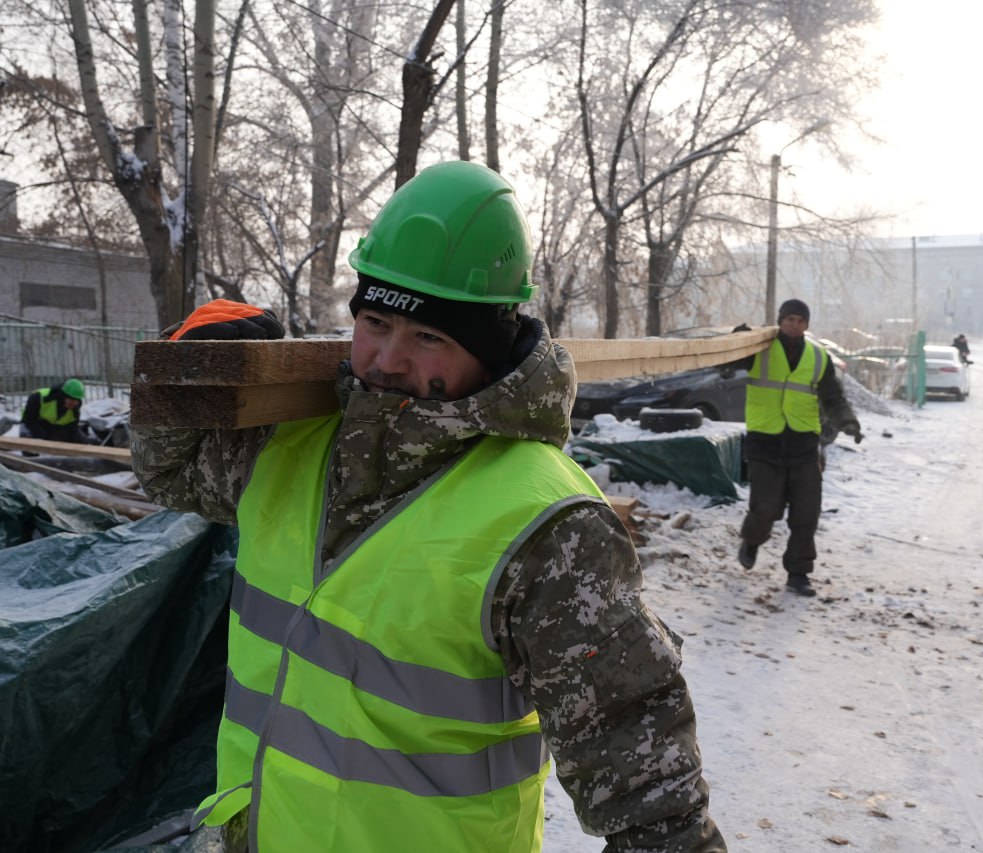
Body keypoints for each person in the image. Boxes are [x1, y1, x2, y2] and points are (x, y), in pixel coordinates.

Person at [131, 161, 725, 852]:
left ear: (487, 347)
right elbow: (169, 474)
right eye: (375, 321)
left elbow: (648, 783)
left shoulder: (550, 526)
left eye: (428, 337)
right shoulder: (295, 440)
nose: (386, 358)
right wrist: (184, 371)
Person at [729, 300, 861, 597]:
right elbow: (725, 365)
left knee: (806, 513)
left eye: (801, 320)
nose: (795, 324)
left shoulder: (817, 357)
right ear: (780, 321)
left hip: (803, 443)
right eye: (790, 319)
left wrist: (848, 422)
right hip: (765, 441)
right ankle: (751, 541)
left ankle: (798, 573)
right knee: (765, 510)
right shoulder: (759, 348)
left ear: (807, 324)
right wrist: (736, 341)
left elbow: (833, 397)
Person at [19, 378, 88, 443]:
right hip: (31, 423)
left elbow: (73, 429)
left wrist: (84, 441)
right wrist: (45, 437)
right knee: (30, 448)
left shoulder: (74, 408)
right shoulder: (39, 397)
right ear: (63, 396)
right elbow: (30, 421)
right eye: (72, 399)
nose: (74, 403)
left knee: (76, 442)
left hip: (53, 426)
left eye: (77, 400)